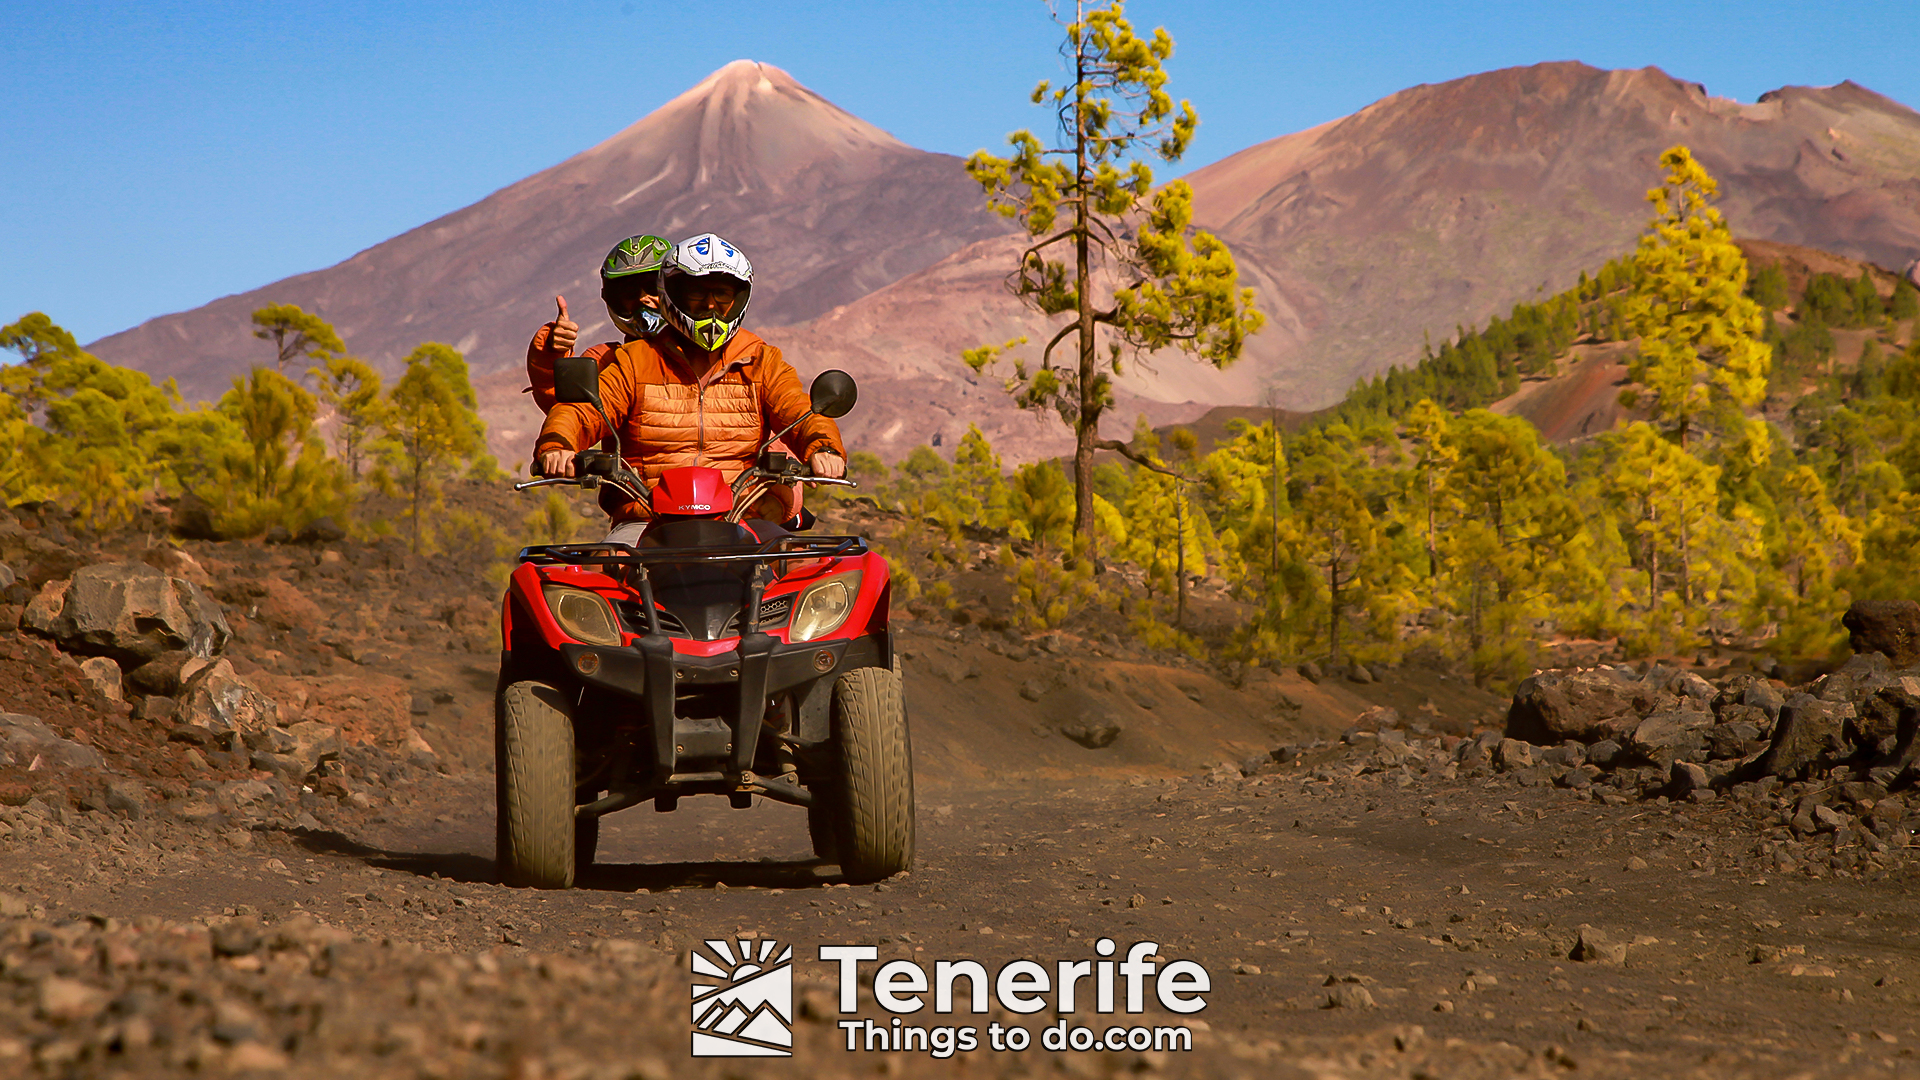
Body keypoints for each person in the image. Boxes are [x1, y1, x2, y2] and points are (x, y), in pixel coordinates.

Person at [533, 233, 846, 546]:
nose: (710, 304)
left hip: (742, 517)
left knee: (805, 569)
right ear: (672, 293)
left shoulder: (761, 361)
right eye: (696, 293)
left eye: (722, 294)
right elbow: (581, 410)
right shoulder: (634, 361)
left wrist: (823, 447)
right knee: (598, 576)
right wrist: (558, 445)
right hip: (646, 519)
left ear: (739, 297)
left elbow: (799, 410)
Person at [524, 234, 673, 412]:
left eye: (653, 287)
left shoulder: (709, 352)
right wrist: (551, 352)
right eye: (629, 292)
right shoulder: (606, 361)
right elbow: (565, 408)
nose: (643, 299)